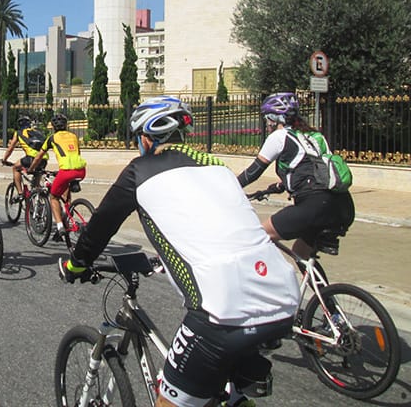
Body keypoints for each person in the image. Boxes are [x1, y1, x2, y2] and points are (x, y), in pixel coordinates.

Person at [59, 96, 300, 407]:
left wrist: (77, 264)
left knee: (170, 399)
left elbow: (100, 227)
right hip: (283, 295)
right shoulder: (218, 166)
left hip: (223, 310)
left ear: (145, 139)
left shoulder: (139, 171)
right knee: (227, 393)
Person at [235, 92, 355, 261]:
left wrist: (230, 187)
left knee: (259, 237)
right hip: (343, 206)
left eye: (266, 118)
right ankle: (316, 280)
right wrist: (279, 186)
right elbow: (315, 169)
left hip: (315, 206)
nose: (266, 123)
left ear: (274, 119)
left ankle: (273, 277)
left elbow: (253, 172)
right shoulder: (315, 136)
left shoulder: (279, 137)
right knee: (300, 253)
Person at [28, 112, 86, 243]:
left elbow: (38, 156)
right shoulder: (74, 136)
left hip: (66, 171)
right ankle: (67, 216)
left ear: (53, 127)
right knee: (66, 197)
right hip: (81, 170)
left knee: (53, 197)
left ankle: (60, 227)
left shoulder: (52, 138)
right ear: (66, 125)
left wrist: (31, 169)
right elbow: (77, 153)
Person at [0, 115, 48, 202]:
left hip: (31, 158)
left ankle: (20, 193)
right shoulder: (36, 132)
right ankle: (39, 203)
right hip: (44, 159)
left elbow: (10, 148)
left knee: (15, 168)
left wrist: (4, 159)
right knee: (36, 184)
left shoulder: (19, 133)